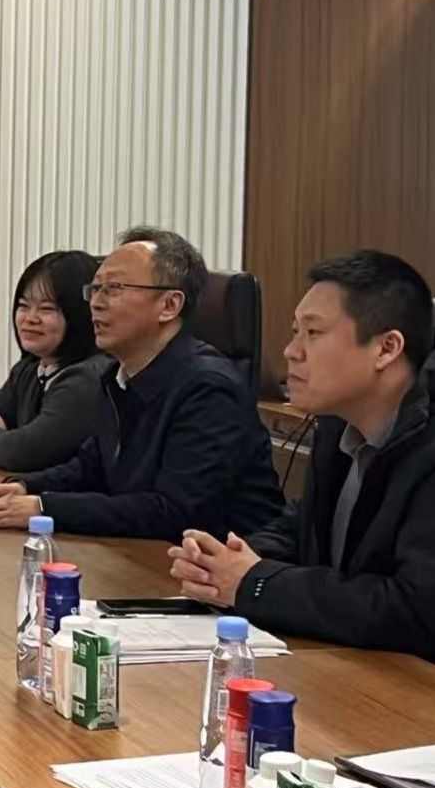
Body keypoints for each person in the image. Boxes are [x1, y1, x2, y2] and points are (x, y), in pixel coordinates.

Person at [170, 251, 435, 659]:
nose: (291, 351)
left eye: (313, 333)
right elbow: (303, 527)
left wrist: (256, 582)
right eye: (295, 332)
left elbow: (414, 610)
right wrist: (227, 560)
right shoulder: (336, 425)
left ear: (386, 348)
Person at [0, 226, 284, 541]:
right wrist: (24, 486)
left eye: (113, 288)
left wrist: (45, 507)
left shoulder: (209, 389)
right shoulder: (117, 377)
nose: (95, 303)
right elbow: (90, 467)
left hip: (222, 561)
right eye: (95, 289)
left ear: (169, 305)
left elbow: (173, 511)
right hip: (145, 552)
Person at [0, 250, 109, 471]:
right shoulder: (30, 368)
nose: (30, 318)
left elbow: (22, 453)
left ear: (80, 314)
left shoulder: (87, 377)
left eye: (46, 309)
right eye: (23, 305)